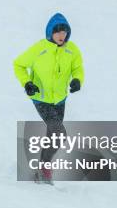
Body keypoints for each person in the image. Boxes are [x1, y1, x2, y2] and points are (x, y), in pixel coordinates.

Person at [13, 13, 84, 184]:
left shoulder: (72, 49)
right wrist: (27, 83)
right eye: (57, 32)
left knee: (52, 135)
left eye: (64, 31)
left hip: (60, 100)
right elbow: (18, 64)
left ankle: (41, 169)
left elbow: (78, 68)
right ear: (50, 32)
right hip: (41, 99)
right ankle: (44, 169)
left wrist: (77, 80)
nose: (61, 35)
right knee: (59, 134)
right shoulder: (39, 49)